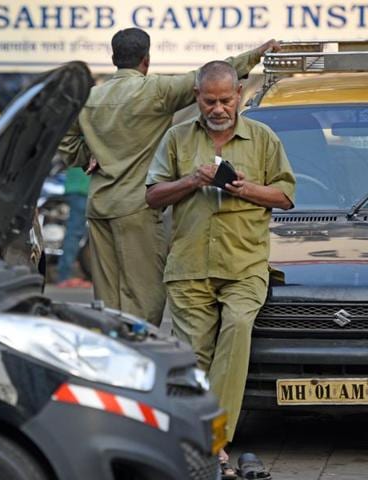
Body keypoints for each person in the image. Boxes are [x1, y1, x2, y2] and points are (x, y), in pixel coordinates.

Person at [59, 27, 279, 326]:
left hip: (98, 207)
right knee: (145, 301)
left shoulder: (90, 99)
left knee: (108, 303)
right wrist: (256, 54)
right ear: (146, 60)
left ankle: (115, 364)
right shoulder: (156, 92)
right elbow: (208, 75)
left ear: (114, 58)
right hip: (138, 208)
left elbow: (65, 143)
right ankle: (141, 363)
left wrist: (89, 155)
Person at [144, 61, 295, 478]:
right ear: (196, 97)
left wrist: (243, 188)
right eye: (209, 100)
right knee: (193, 356)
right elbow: (153, 196)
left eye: (225, 100)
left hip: (244, 264)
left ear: (239, 96)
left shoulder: (262, 138)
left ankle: (215, 442)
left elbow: (284, 196)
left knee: (237, 329)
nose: (218, 108)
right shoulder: (176, 138)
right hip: (189, 266)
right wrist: (193, 180)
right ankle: (200, 444)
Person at [56, 167, 91, 288]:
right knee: (75, 233)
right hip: (84, 188)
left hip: (75, 186)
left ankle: (65, 276)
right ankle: (64, 277)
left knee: (75, 232)